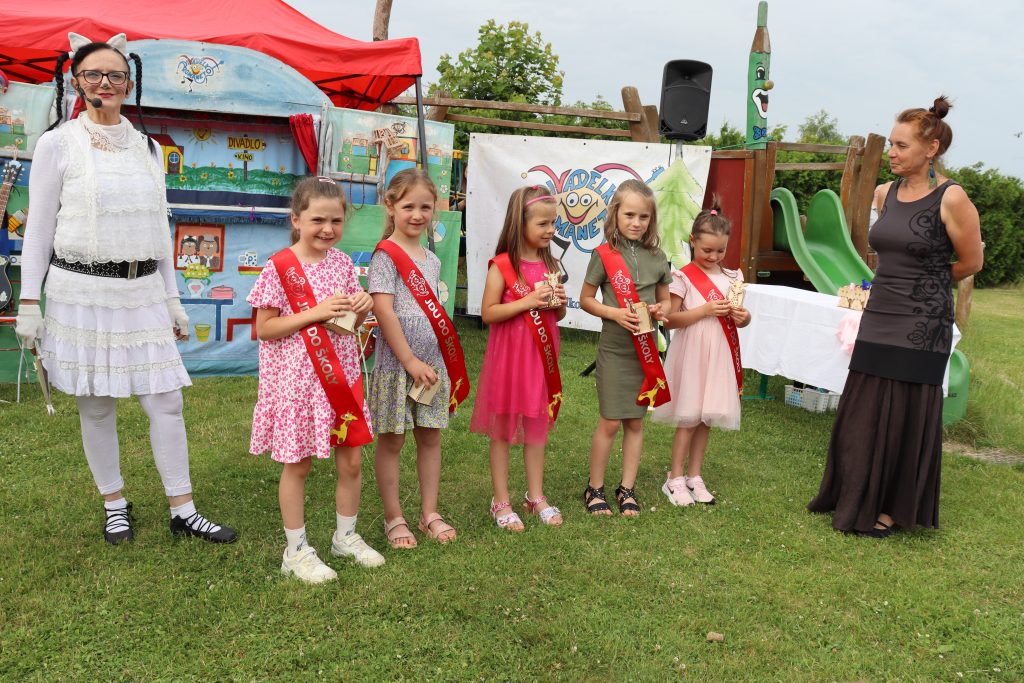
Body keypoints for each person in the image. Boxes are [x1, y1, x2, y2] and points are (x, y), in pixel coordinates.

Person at [15, 33, 236, 545]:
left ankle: (183, 509)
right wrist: (29, 301)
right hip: (80, 292)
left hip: (142, 292)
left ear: (128, 82)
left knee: (166, 401)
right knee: (96, 405)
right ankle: (115, 504)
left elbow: (159, 228)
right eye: (93, 74)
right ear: (76, 81)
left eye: (115, 75)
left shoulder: (148, 147)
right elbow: (39, 230)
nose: (105, 83)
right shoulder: (56, 144)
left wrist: (173, 299)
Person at [808, 96, 983, 537]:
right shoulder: (885, 194)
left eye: (902, 145)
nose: (892, 152)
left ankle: (891, 510)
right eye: (892, 143)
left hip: (923, 322)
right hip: (880, 311)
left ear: (931, 149)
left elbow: (971, 262)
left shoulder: (952, 198)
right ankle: (851, 495)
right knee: (862, 408)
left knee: (905, 414)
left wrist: (926, 282)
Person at [249, 176, 383, 584]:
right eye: (318, 220)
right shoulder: (279, 267)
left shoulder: (341, 263)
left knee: (352, 460)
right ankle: (296, 550)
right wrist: (315, 312)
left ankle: (346, 536)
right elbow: (265, 328)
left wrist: (363, 305)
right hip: (298, 383)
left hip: (341, 378)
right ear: (296, 219)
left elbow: (347, 321)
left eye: (336, 221)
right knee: (299, 464)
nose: (327, 229)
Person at [369, 169, 461, 548]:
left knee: (430, 436)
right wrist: (408, 360)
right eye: (409, 206)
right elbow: (384, 312)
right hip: (397, 366)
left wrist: (429, 361)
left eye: (425, 207)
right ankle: (394, 517)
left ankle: (429, 513)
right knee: (393, 440)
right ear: (391, 206)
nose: (418, 214)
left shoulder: (432, 260)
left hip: (431, 366)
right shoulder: (385, 255)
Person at [471, 185, 567, 531]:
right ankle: (500, 500)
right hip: (510, 360)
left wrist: (558, 303)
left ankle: (535, 495)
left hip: (540, 360)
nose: (550, 230)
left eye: (553, 223)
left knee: (536, 427)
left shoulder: (550, 263)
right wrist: (527, 301)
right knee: (502, 430)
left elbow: (557, 315)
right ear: (520, 223)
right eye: (543, 223)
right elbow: (488, 312)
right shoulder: (503, 265)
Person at [579, 180, 672, 517]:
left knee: (635, 423)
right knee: (610, 421)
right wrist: (614, 313)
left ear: (651, 219)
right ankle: (595, 488)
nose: (636, 222)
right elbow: (586, 299)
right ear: (615, 214)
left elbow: (666, 302)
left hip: (645, 353)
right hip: (615, 351)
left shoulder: (658, 257)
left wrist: (661, 310)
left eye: (643, 217)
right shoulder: (604, 255)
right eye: (629, 215)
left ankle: (627, 489)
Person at [653, 200, 751, 506]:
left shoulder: (733, 277)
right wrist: (704, 310)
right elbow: (670, 320)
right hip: (693, 353)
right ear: (692, 241)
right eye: (707, 250)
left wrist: (743, 317)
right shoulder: (682, 277)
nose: (713, 256)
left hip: (719, 353)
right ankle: (675, 478)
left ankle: (695, 475)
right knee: (689, 416)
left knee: (706, 417)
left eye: (720, 251)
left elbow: (741, 317)